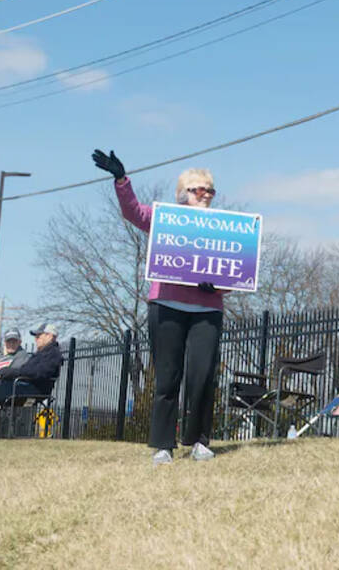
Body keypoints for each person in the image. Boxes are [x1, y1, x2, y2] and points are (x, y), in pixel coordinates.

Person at [92, 149, 225, 466]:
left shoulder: (225, 226)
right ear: (183, 195)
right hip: (166, 306)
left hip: (207, 310)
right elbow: (134, 213)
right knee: (167, 378)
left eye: (210, 190)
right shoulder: (165, 219)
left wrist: (217, 285)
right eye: (198, 189)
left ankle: (199, 442)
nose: (205, 195)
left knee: (202, 377)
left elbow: (238, 271)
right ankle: (163, 445)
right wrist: (121, 180)